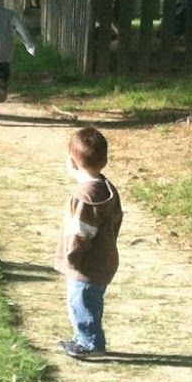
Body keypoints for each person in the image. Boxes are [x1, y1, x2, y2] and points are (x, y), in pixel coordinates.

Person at [55, 126, 124, 360]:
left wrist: (72, 258)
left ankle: (91, 343)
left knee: (81, 302)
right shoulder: (106, 188)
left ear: (73, 164)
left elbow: (79, 234)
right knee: (90, 300)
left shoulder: (83, 198)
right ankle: (82, 338)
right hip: (104, 258)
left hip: (87, 263)